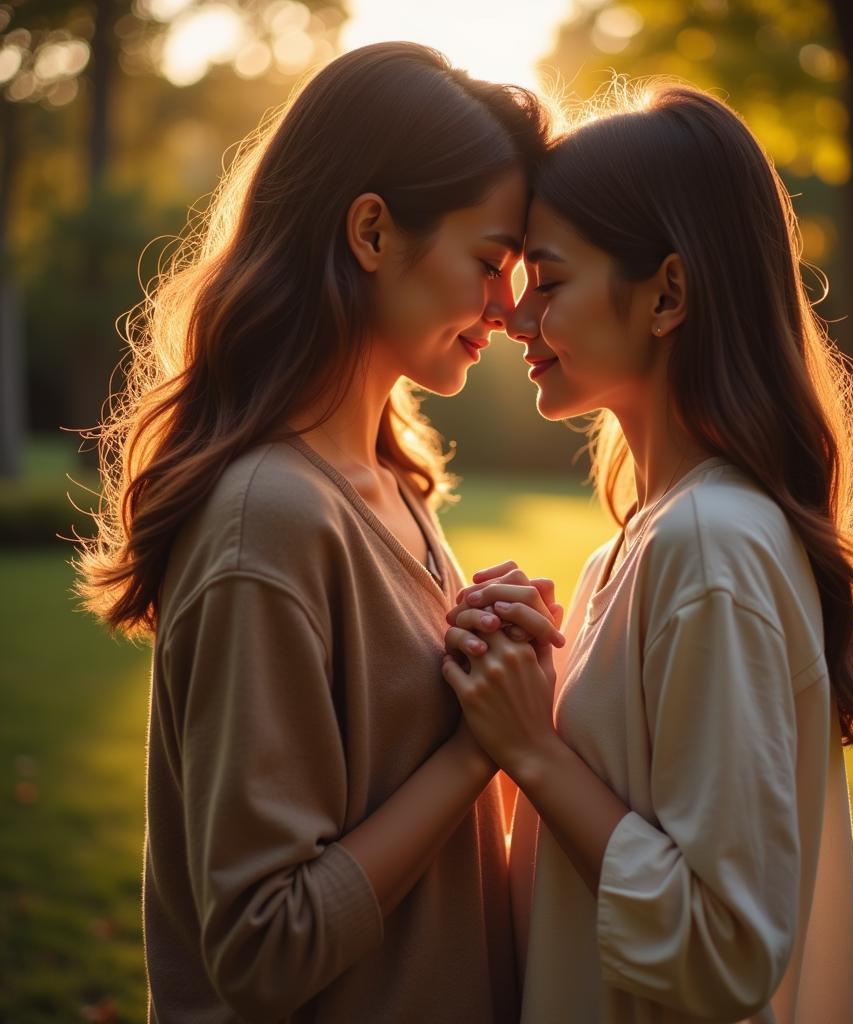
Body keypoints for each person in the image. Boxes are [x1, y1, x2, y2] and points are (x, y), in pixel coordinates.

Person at [74, 42, 555, 1022]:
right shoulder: (270, 522)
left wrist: (490, 647)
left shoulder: (387, 482)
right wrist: (477, 748)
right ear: (371, 231)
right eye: (487, 262)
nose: (509, 310)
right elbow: (263, 944)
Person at [441, 83, 853, 1023]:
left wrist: (534, 749)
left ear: (667, 292)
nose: (511, 319)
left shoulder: (713, 549)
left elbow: (725, 946)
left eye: (548, 281)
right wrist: (510, 680)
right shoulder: (643, 545)